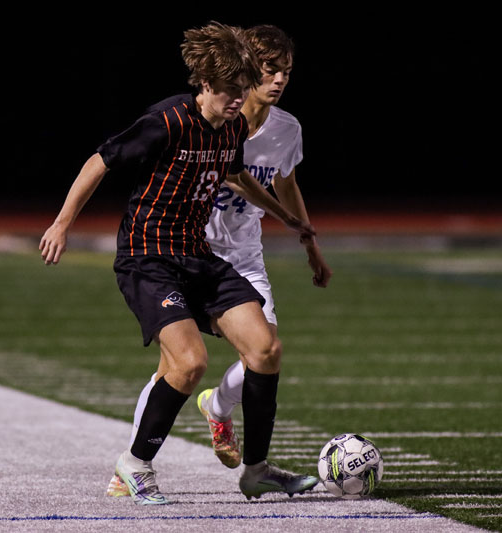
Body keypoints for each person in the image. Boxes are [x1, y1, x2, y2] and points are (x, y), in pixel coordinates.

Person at [40, 21, 316, 505]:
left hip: (197, 256)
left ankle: (255, 471)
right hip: (147, 258)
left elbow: (237, 176)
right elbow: (99, 161)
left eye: (242, 90)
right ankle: (134, 464)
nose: (238, 100)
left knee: (265, 349)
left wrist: (286, 216)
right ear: (206, 84)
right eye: (230, 90)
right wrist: (62, 224)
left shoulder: (230, 125)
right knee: (190, 364)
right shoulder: (167, 120)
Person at [195, 24, 333, 474]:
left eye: (286, 72)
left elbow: (286, 182)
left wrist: (309, 241)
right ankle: (135, 463)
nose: (279, 80)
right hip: (191, 251)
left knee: (266, 351)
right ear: (249, 68)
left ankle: (217, 409)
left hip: (244, 255)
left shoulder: (285, 129)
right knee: (177, 366)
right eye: (271, 70)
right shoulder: (213, 119)